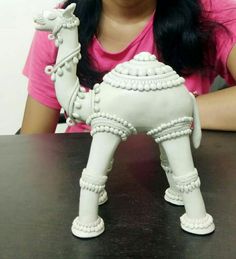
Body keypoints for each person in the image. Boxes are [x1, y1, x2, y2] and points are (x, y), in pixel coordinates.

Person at [20, 0, 236, 134]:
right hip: (81, 174)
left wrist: (166, 111)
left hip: (180, 168)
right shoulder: (60, 26)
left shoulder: (211, 13)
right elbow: (34, 146)